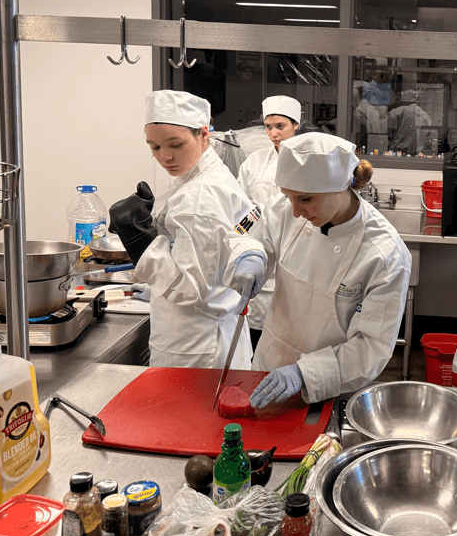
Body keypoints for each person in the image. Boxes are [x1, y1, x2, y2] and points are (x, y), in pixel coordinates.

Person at [228, 133, 411, 407]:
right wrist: (250, 255)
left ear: (340, 187)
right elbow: (246, 232)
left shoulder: (384, 255)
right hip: (266, 370)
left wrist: (304, 373)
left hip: (329, 387)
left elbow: (371, 348)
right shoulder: (286, 206)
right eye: (288, 198)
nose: (295, 212)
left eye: (305, 199)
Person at [108, 90, 267, 369]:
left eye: (175, 144)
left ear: (204, 134)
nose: (166, 157)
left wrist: (141, 243)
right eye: (154, 147)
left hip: (195, 348)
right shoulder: (203, 177)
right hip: (210, 336)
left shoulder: (200, 196)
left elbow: (191, 289)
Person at [236, 95, 301, 342]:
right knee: (257, 326)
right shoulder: (255, 161)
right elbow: (242, 207)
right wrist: (241, 238)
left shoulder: (307, 160)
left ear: (296, 124)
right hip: (259, 247)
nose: (274, 133)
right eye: (268, 127)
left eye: (280, 127)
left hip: (295, 245)